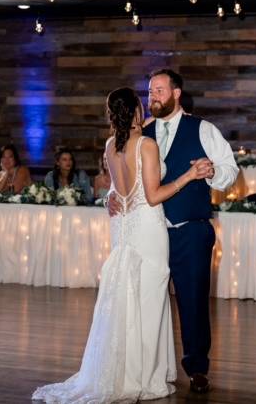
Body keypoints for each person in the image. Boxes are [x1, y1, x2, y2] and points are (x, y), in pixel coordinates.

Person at [32, 87, 208, 402]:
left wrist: (110, 199)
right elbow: (153, 196)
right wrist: (190, 175)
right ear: (137, 112)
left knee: (128, 297)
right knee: (150, 298)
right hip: (147, 228)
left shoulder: (111, 145)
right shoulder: (147, 145)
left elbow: (116, 191)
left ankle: (125, 371)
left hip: (123, 226)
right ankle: (143, 376)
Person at [140, 69, 238, 393]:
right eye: (150, 90)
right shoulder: (143, 133)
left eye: (159, 89)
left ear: (177, 92)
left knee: (193, 302)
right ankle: (148, 365)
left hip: (191, 231)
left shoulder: (203, 128)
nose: (152, 95)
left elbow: (230, 169)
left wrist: (212, 173)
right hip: (150, 233)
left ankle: (197, 368)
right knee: (148, 299)